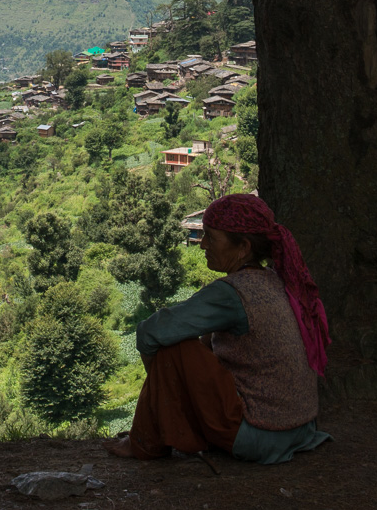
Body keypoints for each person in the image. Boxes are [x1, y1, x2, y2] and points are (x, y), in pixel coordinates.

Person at [105, 193, 332, 464]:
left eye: (211, 238)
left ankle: (146, 440)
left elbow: (149, 332)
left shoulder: (233, 293)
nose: (202, 246)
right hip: (301, 428)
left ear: (243, 247)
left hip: (260, 435)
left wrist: (168, 388)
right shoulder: (275, 280)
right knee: (198, 342)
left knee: (172, 347)